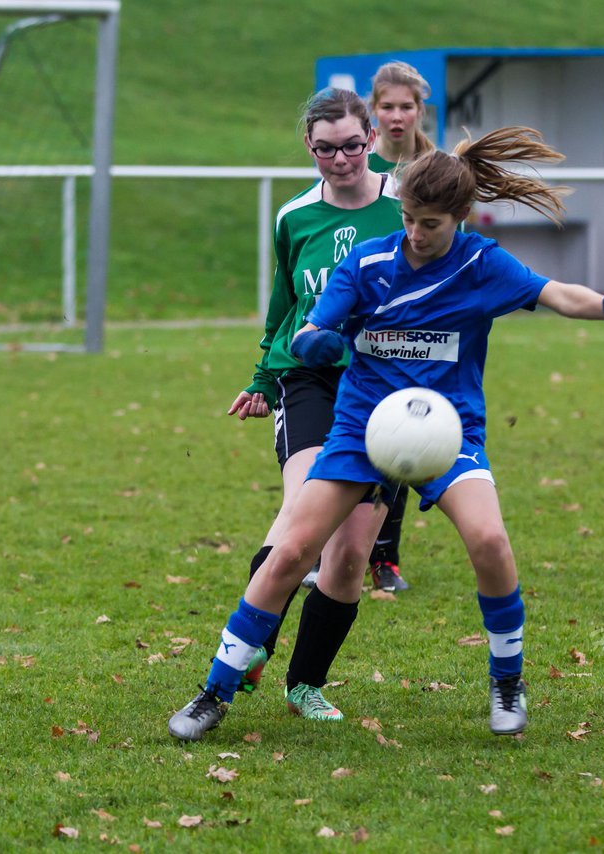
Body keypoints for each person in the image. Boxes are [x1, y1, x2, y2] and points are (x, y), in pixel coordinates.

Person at [169, 125, 604, 741]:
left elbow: (556, 293)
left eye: (429, 222)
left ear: (460, 216)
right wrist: (316, 341)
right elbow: (309, 325)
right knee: (293, 551)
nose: (414, 233)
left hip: (447, 429)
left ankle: (506, 680)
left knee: (489, 539)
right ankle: (215, 692)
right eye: (407, 217)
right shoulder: (370, 262)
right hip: (361, 426)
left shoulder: (482, 264)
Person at [225, 86, 404, 720]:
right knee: (301, 517)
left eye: (352, 146)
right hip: (308, 380)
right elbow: (283, 308)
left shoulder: (406, 208)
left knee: (352, 551)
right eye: (325, 149)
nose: (340, 159)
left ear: (372, 141)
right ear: (309, 145)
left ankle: (306, 684)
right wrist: (260, 378)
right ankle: (248, 652)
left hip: (385, 390)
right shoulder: (295, 217)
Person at [360, 60, 438, 593]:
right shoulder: (356, 169)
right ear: (373, 110)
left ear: (419, 111)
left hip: (416, 326)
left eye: (405, 106)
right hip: (359, 320)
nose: (395, 115)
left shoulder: (434, 169)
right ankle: (333, 545)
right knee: (345, 437)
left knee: (400, 437)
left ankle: (384, 557)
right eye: (386, 106)